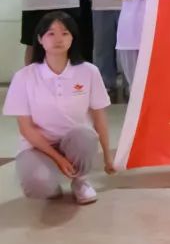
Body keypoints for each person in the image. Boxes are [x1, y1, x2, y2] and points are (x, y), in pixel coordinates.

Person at [2, 12, 114, 204]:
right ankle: (50, 182)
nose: (58, 39)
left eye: (65, 33)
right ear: (40, 39)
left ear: (73, 38)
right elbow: (26, 129)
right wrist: (58, 159)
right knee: (38, 184)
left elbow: (99, 118)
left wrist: (107, 158)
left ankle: (80, 181)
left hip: (75, 140)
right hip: (38, 146)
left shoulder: (89, 71)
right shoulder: (24, 76)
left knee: (85, 135)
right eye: (51, 33)